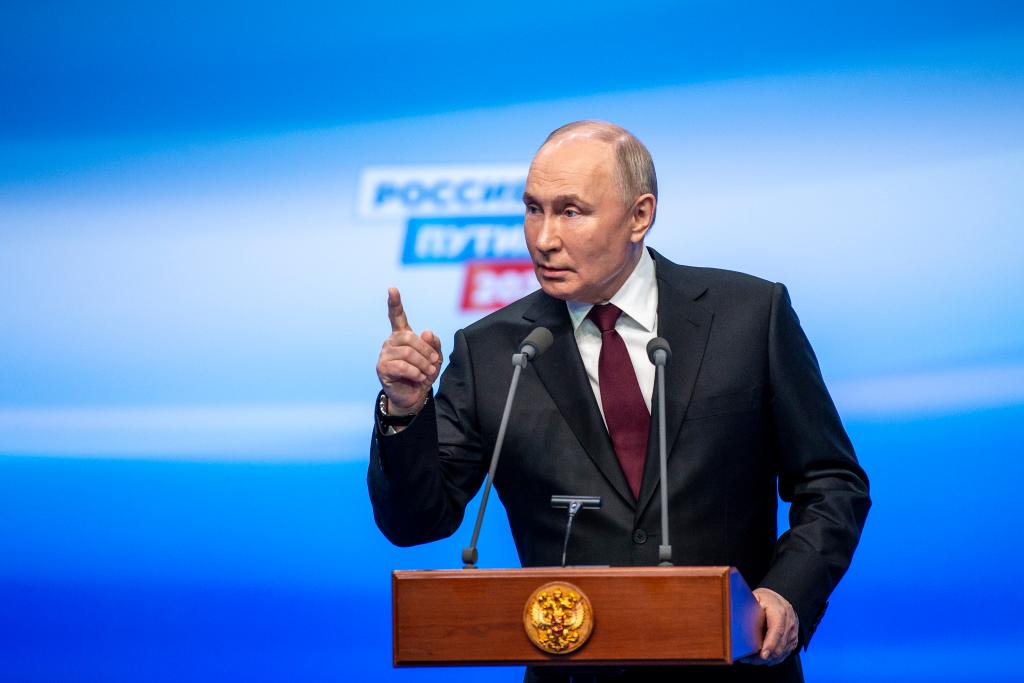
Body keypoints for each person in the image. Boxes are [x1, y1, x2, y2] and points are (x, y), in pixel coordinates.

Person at [368, 120, 870, 682]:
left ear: (639, 215)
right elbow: (415, 521)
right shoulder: (492, 352)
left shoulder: (751, 315)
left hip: (736, 669)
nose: (543, 238)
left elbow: (831, 482)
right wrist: (405, 411)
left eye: (570, 211)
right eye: (533, 209)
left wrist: (786, 592)